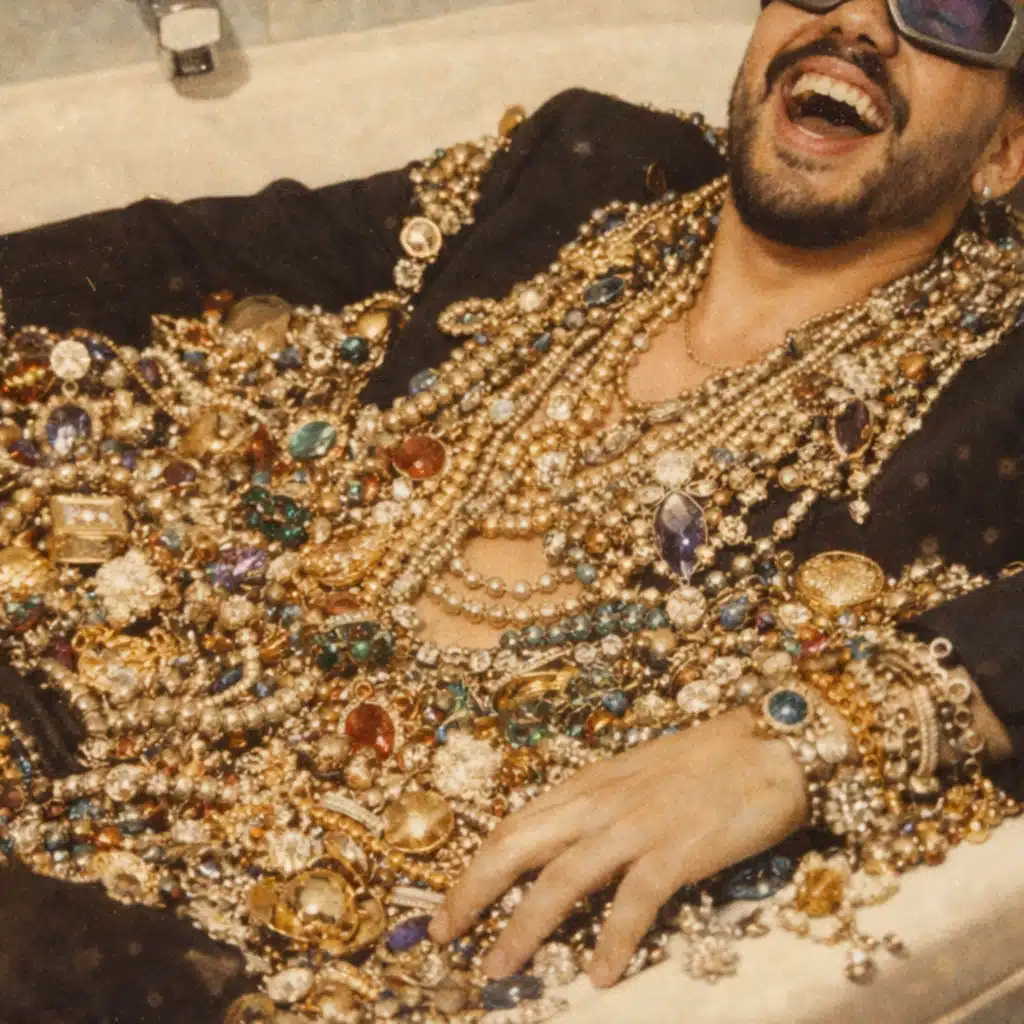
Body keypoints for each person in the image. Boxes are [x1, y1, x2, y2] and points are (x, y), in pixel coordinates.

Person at [1, 1, 1023, 1021]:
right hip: (111, 713)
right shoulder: (587, 170)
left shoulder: (998, 377)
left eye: (952, 9)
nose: (858, 20)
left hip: (368, 945)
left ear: (1005, 151)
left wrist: (796, 739)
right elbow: (180, 255)